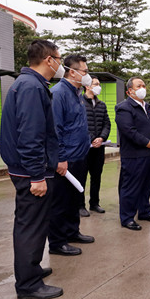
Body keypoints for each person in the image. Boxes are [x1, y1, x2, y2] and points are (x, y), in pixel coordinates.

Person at [0, 39, 63, 299]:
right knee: (31, 227)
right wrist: (37, 175)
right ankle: (28, 285)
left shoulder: (31, 85)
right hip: (29, 171)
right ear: (49, 60)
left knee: (35, 224)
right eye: (58, 58)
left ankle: (31, 270)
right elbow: (31, 134)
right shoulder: (30, 87)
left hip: (29, 168)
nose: (60, 64)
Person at [49, 54, 95, 256]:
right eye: (84, 71)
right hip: (65, 158)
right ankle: (58, 242)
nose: (86, 75)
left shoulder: (77, 93)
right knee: (60, 201)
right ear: (72, 71)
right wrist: (60, 158)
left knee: (74, 198)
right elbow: (55, 129)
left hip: (79, 155)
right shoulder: (58, 93)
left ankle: (72, 231)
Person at [115, 77, 150, 231]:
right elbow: (129, 131)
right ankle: (127, 217)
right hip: (135, 155)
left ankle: (144, 211)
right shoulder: (124, 108)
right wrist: (147, 143)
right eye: (139, 86)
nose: (143, 88)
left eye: (144, 85)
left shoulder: (149, 107)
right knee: (130, 187)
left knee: (146, 185)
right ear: (130, 91)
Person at [79, 75, 111, 216]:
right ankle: (80, 205)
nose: (99, 86)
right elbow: (79, 125)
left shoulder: (101, 104)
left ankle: (94, 203)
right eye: (96, 84)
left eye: (99, 84)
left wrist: (102, 137)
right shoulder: (79, 102)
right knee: (81, 177)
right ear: (87, 86)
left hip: (99, 148)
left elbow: (107, 124)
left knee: (96, 176)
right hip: (84, 148)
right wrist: (92, 138)